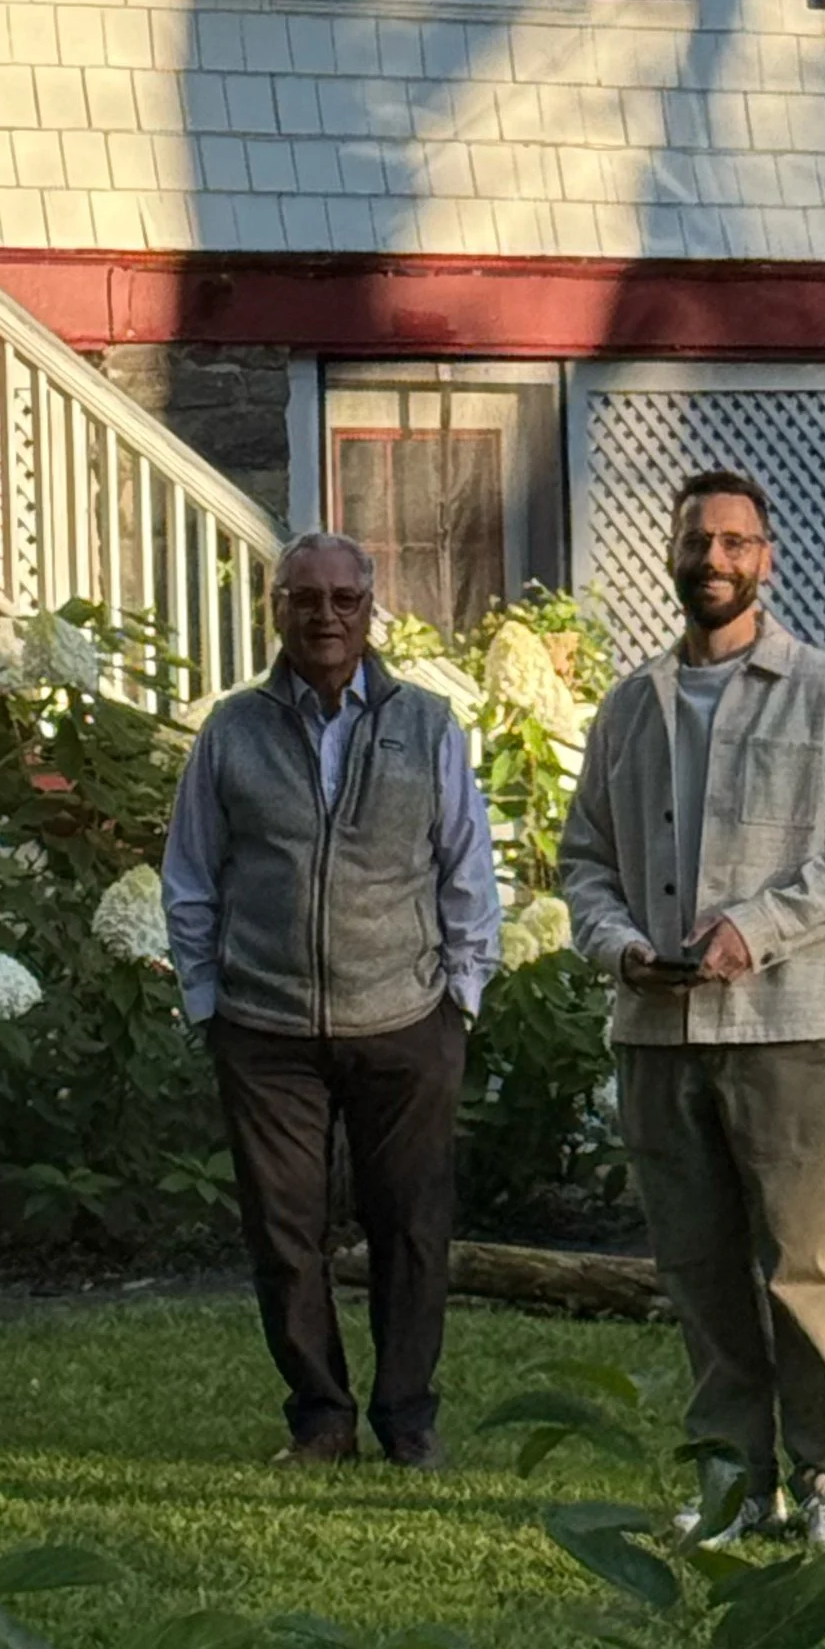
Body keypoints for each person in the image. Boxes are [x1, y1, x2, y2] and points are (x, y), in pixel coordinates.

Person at [556, 470, 825, 1557]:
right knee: (697, 1267)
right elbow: (583, 862)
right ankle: (732, 1479)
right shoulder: (630, 705)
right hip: (656, 1034)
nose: (711, 558)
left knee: (806, 1263)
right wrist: (615, 943)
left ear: (765, 556)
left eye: (732, 541)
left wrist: (755, 928)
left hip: (787, 1026)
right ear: (669, 557)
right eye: (694, 541)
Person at [161, 531, 501, 1470]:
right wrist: (208, 1001)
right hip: (265, 1025)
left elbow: (466, 869)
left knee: (413, 1230)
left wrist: (458, 1001)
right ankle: (320, 1417)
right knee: (283, 1231)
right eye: (306, 599)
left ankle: (408, 1419)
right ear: (278, 609)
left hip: (405, 1017)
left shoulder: (427, 724)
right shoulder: (231, 730)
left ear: (369, 609)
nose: (325, 617)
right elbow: (191, 875)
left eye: (344, 600)